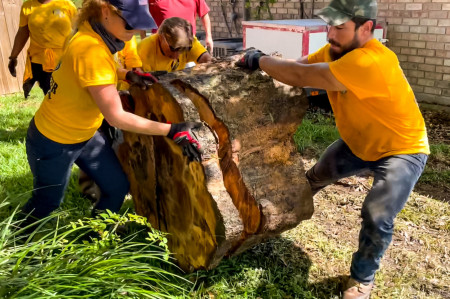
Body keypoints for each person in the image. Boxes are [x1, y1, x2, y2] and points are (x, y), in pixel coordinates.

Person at [236, 0, 429, 298]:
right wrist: (258, 68)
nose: (330, 33)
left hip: (401, 149)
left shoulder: (370, 60)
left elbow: (301, 78)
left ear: (366, 28)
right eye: (330, 25)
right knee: (312, 179)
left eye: (340, 27)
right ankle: (271, 227)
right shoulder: (335, 51)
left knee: (377, 214)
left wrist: (258, 59)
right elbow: (298, 68)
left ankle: (362, 278)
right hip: (358, 143)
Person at [22, 0, 202, 223]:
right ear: (105, 12)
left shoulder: (91, 33)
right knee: (47, 202)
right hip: (53, 140)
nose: (135, 32)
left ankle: (96, 236)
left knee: (116, 187)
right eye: (130, 25)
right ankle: (16, 244)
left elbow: (94, 70)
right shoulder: (90, 49)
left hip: (85, 133)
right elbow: (115, 116)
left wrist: (125, 74)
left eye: (139, 25)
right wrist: (172, 130)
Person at [8, 0, 77, 98]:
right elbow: (23, 32)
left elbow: (78, 30)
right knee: (51, 97)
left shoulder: (66, 4)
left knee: (69, 96)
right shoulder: (28, 6)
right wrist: (13, 57)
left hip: (66, 61)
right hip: (40, 63)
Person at [138, 17, 212, 73]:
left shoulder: (188, 42)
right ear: (161, 37)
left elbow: (207, 60)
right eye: (174, 49)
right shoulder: (144, 50)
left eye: (183, 49)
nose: (177, 55)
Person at [140, 0, 214, 53]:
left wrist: (209, 36)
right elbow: (142, 17)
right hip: (161, 48)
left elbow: (204, 14)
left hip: (188, 45)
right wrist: (143, 41)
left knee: (188, 72)